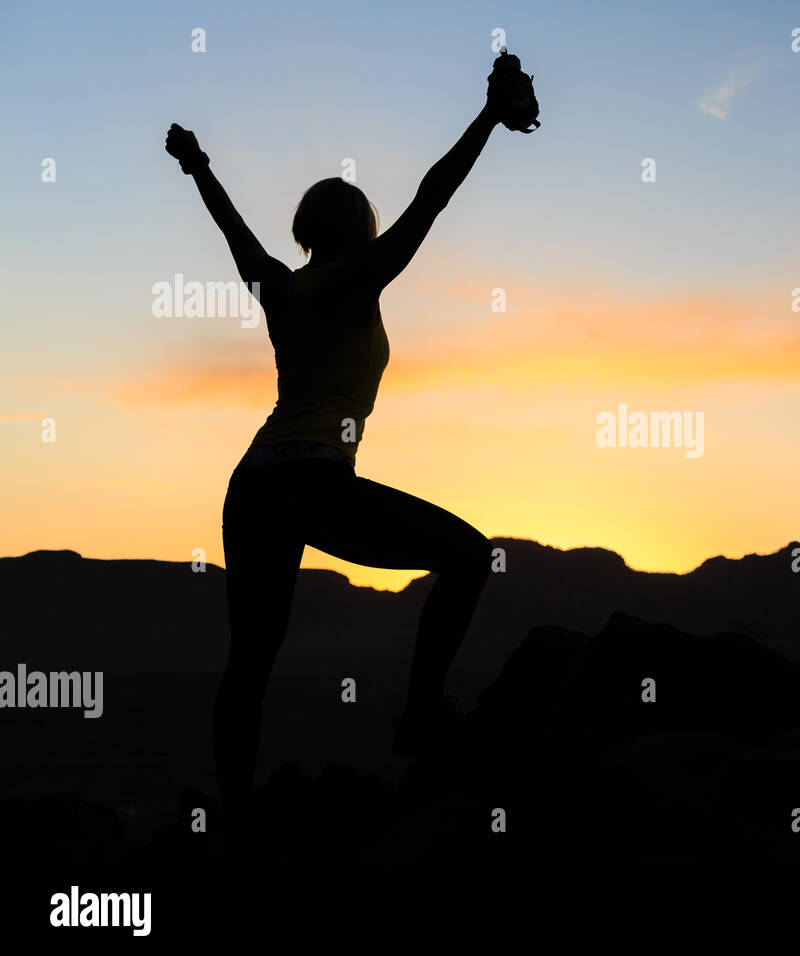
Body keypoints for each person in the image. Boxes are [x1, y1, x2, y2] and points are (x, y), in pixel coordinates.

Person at [165, 55, 537, 809]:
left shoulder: (281, 285)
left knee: (251, 662)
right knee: (467, 557)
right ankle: (422, 714)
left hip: (255, 484)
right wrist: (489, 119)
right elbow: (432, 199)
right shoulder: (355, 280)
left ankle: (233, 818)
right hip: (313, 479)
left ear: (305, 230)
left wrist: (196, 164)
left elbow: (233, 229)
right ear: (362, 232)